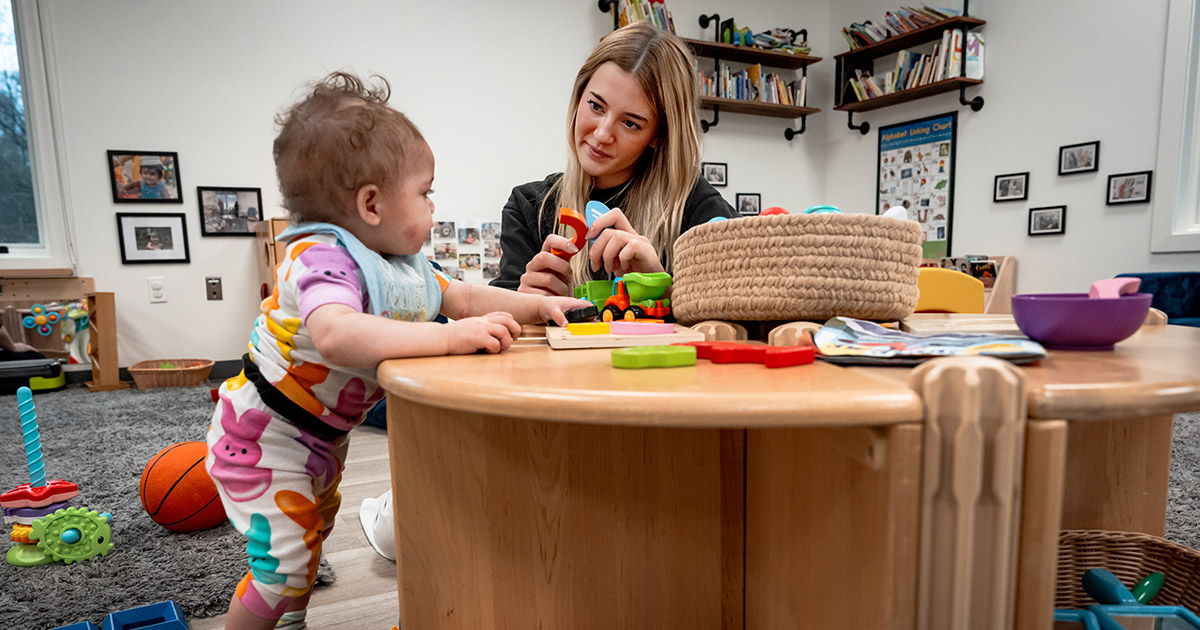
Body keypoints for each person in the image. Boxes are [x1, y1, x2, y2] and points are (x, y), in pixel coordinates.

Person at [205, 71, 588, 630]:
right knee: (281, 568)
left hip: (320, 438)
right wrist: (448, 337)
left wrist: (537, 308)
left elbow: (459, 295)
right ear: (372, 204)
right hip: (265, 436)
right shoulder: (321, 259)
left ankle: (288, 622)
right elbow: (337, 333)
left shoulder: (399, 267)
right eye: (426, 192)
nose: (434, 207)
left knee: (305, 547)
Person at [490, 22, 736, 296]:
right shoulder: (528, 208)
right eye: (595, 106)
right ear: (579, 95)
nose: (603, 134)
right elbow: (497, 326)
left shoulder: (695, 208)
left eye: (630, 123)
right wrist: (522, 306)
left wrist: (662, 289)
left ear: (659, 136)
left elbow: (740, 314)